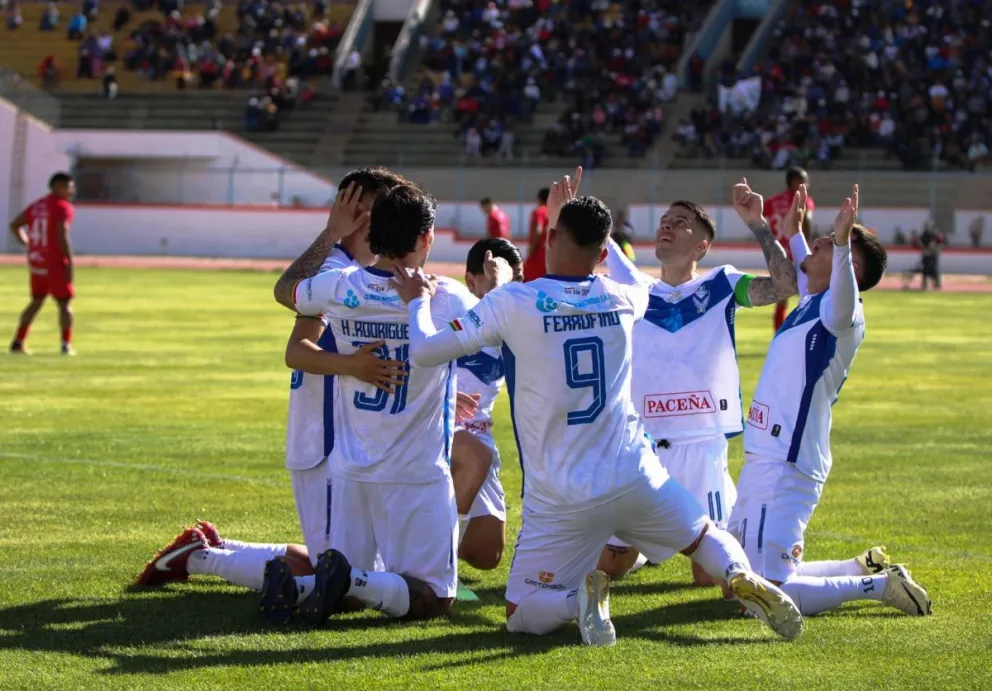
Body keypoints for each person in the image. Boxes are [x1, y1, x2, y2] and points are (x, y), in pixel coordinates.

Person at [392, 170, 804, 646]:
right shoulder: (624, 296)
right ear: (603, 252)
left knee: (518, 612)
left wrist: (417, 303)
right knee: (704, 536)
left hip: (562, 491)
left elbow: (425, 351)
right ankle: (736, 573)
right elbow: (635, 283)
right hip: (634, 470)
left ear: (552, 236)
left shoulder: (513, 301)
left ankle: (577, 601)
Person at [264, 183, 487, 625]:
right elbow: (499, 332)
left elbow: (287, 289)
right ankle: (341, 580)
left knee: (361, 580)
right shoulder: (447, 298)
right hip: (416, 474)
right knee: (435, 598)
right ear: (427, 238)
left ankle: (299, 584)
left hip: (351, 470)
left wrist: (331, 233)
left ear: (374, 234)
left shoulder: (338, 285)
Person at [728, 184, 932, 618]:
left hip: (789, 460)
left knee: (763, 593)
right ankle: (858, 566)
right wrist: (781, 229)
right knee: (735, 581)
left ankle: (878, 585)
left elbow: (839, 285)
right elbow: (805, 265)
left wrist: (839, 241)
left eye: (831, 244)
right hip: (767, 455)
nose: (817, 242)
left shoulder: (842, 311)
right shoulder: (813, 302)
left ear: (848, 267)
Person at [597, 177, 801, 585]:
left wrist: (759, 224)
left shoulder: (721, 284)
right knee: (610, 568)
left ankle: (670, 539)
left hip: (702, 445)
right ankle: (647, 548)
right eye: (665, 221)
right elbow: (597, 243)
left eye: (680, 222)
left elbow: (786, 285)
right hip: (644, 446)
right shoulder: (634, 290)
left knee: (710, 578)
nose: (666, 227)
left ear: (701, 246)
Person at [455, 237, 525, 570]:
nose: (511, 289)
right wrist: (439, 395)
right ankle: (419, 557)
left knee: (487, 557)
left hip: (479, 431)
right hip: (436, 430)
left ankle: (425, 539)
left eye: (516, 281)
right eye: (497, 276)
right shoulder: (450, 311)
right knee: (475, 455)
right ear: (471, 280)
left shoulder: (518, 319)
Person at [9, 172, 77, 356]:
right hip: (54, 262)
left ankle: (18, 341)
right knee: (64, 303)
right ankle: (66, 345)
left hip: (37, 261)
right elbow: (62, 234)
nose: (72, 191)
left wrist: (27, 243)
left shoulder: (37, 205)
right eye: (69, 187)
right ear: (57, 187)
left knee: (36, 301)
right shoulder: (62, 207)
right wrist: (69, 262)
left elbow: (14, 225)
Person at [763, 167, 815, 331]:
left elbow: (764, 222)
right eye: (802, 180)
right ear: (792, 182)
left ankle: (779, 334)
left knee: (782, 298)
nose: (806, 184)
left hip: (779, 254)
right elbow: (807, 225)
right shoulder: (804, 201)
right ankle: (804, 332)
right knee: (809, 295)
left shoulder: (772, 201)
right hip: (797, 253)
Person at [904, 222, 943, 290]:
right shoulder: (923, 235)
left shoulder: (936, 235)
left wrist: (933, 250)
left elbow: (940, 244)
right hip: (925, 255)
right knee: (925, 270)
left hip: (933, 255)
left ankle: (937, 284)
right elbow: (919, 243)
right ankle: (924, 284)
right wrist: (924, 249)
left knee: (934, 269)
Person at [522, 188, 549, 281]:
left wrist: (532, 247)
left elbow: (538, 230)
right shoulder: (554, 212)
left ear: (539, 198)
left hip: (538, 253)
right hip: (550, 254)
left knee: (527, 282)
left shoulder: (539, 211)